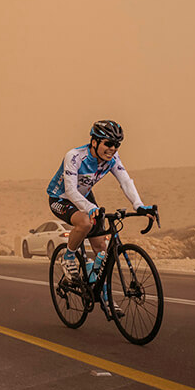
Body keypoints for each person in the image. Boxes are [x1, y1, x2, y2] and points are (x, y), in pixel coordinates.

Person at [47, 120, 156, 283]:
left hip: (85, 197)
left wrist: (138, 205)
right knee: (85, 223)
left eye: (117, 145)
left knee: (101, 251)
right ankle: (68, 257)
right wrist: (90, 208)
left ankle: (106, 300)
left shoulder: (112, 159)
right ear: (94, 141)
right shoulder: (74, 156)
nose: (112, 149)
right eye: (109, 143)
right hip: (61, 197)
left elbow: (125, 181)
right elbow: (70, 191)